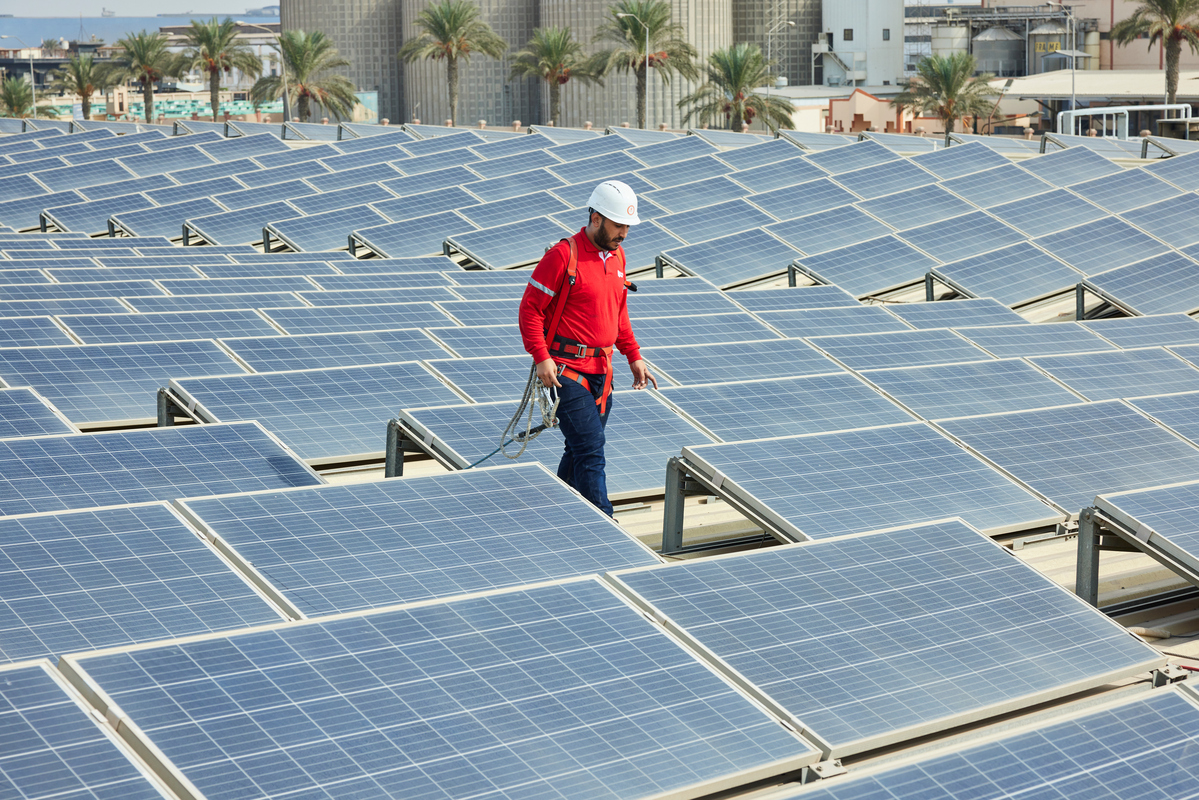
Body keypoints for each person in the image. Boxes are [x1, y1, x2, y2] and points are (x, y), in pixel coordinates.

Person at [517, 180, 657, 516]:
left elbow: (618, 313)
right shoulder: (563, 256)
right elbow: (530, 309)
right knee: (592, 449)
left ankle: (558, 512)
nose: (624, 232)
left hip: (602, 374)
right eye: (618, 225)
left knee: (578, 448)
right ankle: (604, 524)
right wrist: (541, 357)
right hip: (566, 372)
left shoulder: (618, 255)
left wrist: (633, 355)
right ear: (596, 218)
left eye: (627, 226)